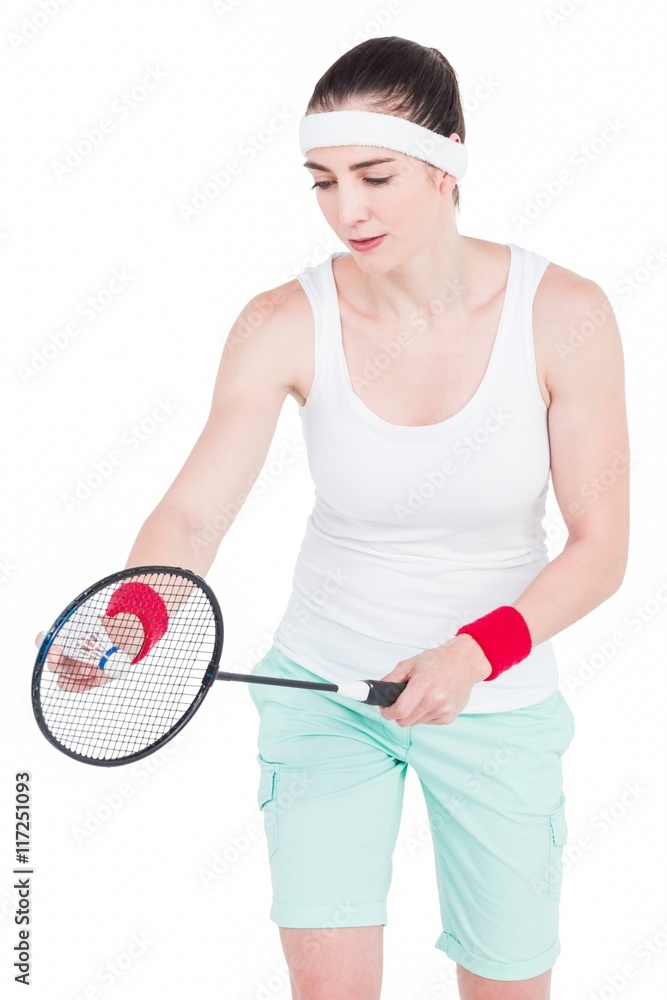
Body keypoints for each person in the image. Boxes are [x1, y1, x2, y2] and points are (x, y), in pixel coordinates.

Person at [39, 35, 630, 1000]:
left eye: (374, 174)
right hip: (322, 695)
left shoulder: (563, 313)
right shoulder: (283, 319)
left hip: (495, 701)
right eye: (320, 180)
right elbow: (193, 514)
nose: (344, 209)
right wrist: (131, 621)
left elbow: (601, 550)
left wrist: (469, 653)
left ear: (448, 162)